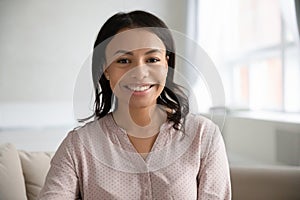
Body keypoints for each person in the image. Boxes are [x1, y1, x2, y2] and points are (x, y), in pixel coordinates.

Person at [38, 10, 231, 199]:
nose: (139, 72)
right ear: (105, 69)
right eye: (123, 60)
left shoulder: (203, 136)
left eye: (152, 59)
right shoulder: (78, 146)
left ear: (166, 64)